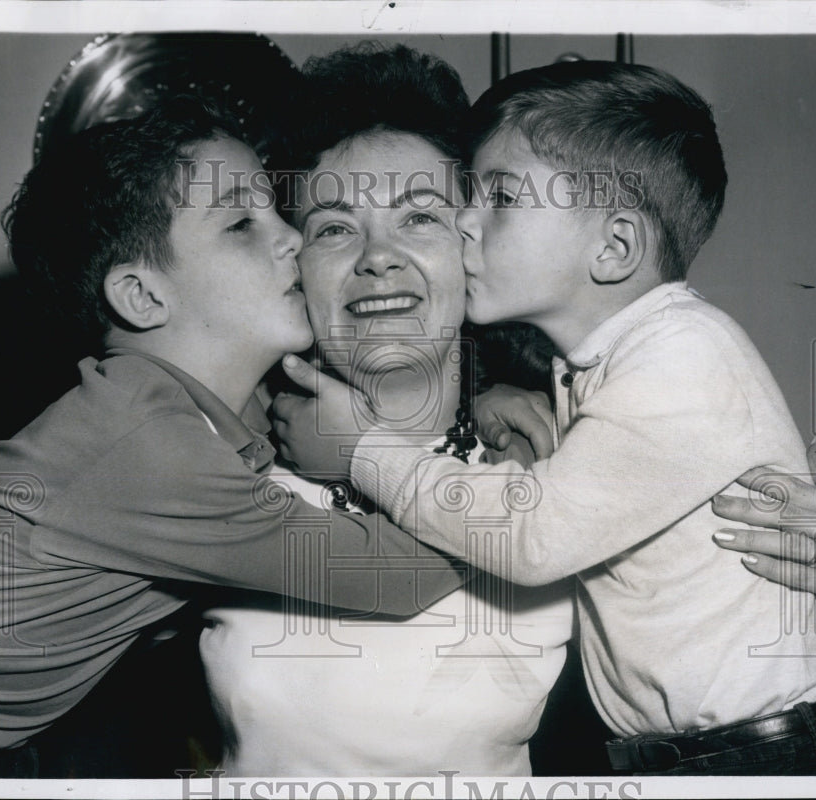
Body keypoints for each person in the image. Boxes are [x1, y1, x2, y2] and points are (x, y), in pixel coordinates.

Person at [279, 60, 816, 775]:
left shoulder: (680, 354)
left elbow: (533, 535)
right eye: (334, 227)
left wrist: (362, 447)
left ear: (614, 248)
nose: (466, 221)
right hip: (683, 758)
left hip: (752, 755)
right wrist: (484, 398)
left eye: (493, 199)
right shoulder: (585, 376)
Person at [0, 96, 466, 778]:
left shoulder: (197, 408)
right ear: (142, 299)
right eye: (241, 223)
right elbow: (401, 576)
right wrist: (525, 469)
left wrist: (490, 399)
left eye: (272, 208)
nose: (289, 235)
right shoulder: (150, 446)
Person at [198, 43, 575, 777]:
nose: (377, 257)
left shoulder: (562, 455)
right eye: (335, 228)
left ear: (475, 250)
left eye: (419, 219)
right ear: (292, 263)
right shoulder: (221, 461)